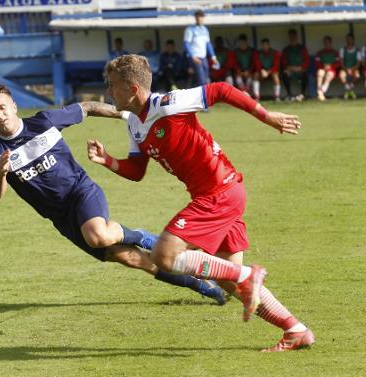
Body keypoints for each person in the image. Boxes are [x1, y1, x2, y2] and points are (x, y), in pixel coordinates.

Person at [87, 54, 314, 352]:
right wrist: (107, 161)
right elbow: (137, 171)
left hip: (219, 192)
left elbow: (221, 89)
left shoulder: (169, 103)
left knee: (163, 255)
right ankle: (295, 330)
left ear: (132, 88)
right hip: (221, 194)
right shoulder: (134, 125)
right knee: (230, 284)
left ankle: (249, 274)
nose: (108, 91)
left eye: (112, 85)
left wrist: (267, 116)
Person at [0, 84, 227, 305]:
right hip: (61, 218)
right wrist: (2, 173)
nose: (0, 115)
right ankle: (200, 285)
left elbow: (86, 107)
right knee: (133, 260)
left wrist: (127, 114)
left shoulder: (43, 121)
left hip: (81, 192)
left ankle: (139, 235)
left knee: (98, 235)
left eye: (3, 107)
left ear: (13, 106)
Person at [183, 10, 218, 87]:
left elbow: (208, 44)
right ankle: (204, 98)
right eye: (198, 17)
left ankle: (202, 96)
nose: (199, 19)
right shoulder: (190, 29)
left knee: (206, 78)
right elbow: (186, 44)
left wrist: (213, 57)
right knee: (202, 81)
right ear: (195, 18)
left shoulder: (205, 29)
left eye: (201, 17)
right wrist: (193, 57)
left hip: (203, 57)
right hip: (195, 58)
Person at [281, 29, 309, 101]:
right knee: (284, 73)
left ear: (297, 37)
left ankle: (302, 94)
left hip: (300, 69)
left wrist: (300, 68)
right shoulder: (286, 49)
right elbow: (284, 62)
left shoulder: (302, 48)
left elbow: (306, 61)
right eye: (291, 36)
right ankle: (289, 94)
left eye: (294, 36)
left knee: (305, 73)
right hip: (290, 70)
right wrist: (289, 67)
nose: (292, 38)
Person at [315, 36, 341, 101]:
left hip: (332, 70)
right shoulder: (320, 53)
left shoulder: (335, 52)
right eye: (325, 42)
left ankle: (322, 91)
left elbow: (338, 63)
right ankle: (319, 90)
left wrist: (330, 66)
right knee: (320, 72)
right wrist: (323, 66)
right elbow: (317, 62)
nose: (326, 44)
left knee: (329, 74)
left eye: (328, 42)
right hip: (322, 68)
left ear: (330, 43)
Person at [234, 33, 258, 98]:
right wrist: (239, 71)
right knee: (238, 79)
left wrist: (249, 71)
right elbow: (234, 63)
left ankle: (249, 95)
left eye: (243, 42)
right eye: (240, 42)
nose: (242, 44)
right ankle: (243, 94)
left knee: (250, 79)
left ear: (246, 42)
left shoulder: (252, 51)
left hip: (249, 71)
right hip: (239, 72)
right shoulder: (236, 51)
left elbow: (254, 63)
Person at [338, 33, 362, 99]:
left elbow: (358, 63)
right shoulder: (342, 50)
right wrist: (347, 69)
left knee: (357, 75)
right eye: (347, 39)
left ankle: (348, 91)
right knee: (341, 76)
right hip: (345, 69)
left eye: (350, 39)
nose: (349, 41)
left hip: (354, 69)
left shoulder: (358, 51)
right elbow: (341, 63)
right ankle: (350, 91)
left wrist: (351, 70)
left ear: (353, 40)